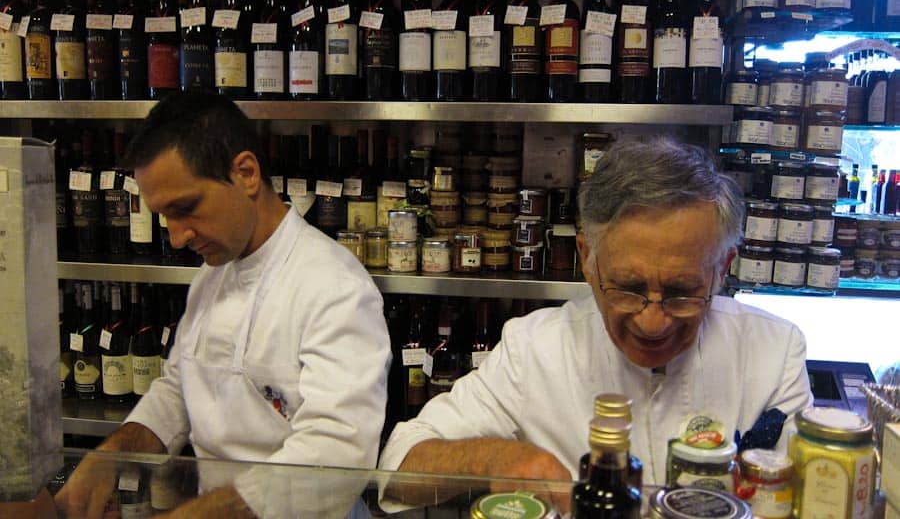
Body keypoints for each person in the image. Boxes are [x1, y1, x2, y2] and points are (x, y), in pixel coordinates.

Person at [378, 137, 813, 500]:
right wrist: (497, 460)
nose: (653, 321)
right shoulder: (534, 349)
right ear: (588, 260)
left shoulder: (774, 352)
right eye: (628, 288)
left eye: (682, 293)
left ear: (722, 268)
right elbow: (400, 462)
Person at [56, 92, 391, 518]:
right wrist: (114, 452)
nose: (177, 237)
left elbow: (337, 451)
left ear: (246, 173)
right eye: (165, 217)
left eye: (186, 208)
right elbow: (179, 387)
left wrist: (202, 514)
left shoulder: (335, 287)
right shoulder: (213, 273)